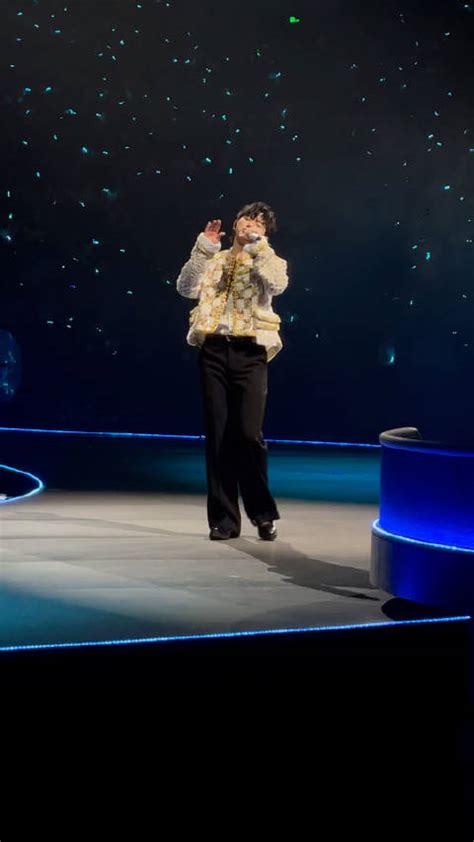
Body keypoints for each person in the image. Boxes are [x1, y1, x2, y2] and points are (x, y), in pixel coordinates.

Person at [176, 201, 289, 541]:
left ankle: (262, 513)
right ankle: (224, 520)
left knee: (249, 434)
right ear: (236, 222)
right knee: (219, 435)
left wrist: (258, 247)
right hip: (213, 350)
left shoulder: (269, 260)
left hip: (250, 352)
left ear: (265, 232)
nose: (250, 224)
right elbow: (185, 288)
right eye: (247, 218)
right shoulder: (213, 259)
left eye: (259, 222)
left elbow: (277, 284)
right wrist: (204, 248)